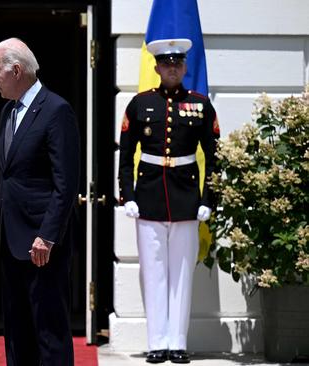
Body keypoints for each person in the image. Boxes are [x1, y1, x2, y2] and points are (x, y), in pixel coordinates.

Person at [118, 38, 220, 364]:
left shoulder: (201, 105)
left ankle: (177, 341)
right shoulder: (139, 104)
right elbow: (125, 156)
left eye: (178, 63)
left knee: (181, 274)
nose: (172, 68)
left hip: (187, 198)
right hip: (148, 197)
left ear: (185, 66)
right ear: (157, 67)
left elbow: (214, 158)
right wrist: (127, 195)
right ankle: (156, 343)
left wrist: (209, 199)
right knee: (153, 272)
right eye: (166, 63)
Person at [0, 38, 80, 366]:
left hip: (42, 244)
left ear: (16, 69)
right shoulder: (7, 112)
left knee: (48, 330)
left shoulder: (56, 110)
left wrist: (48, 235)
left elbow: (65, 184)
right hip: (11, 241)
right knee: (17, 329)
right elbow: (1, 171)